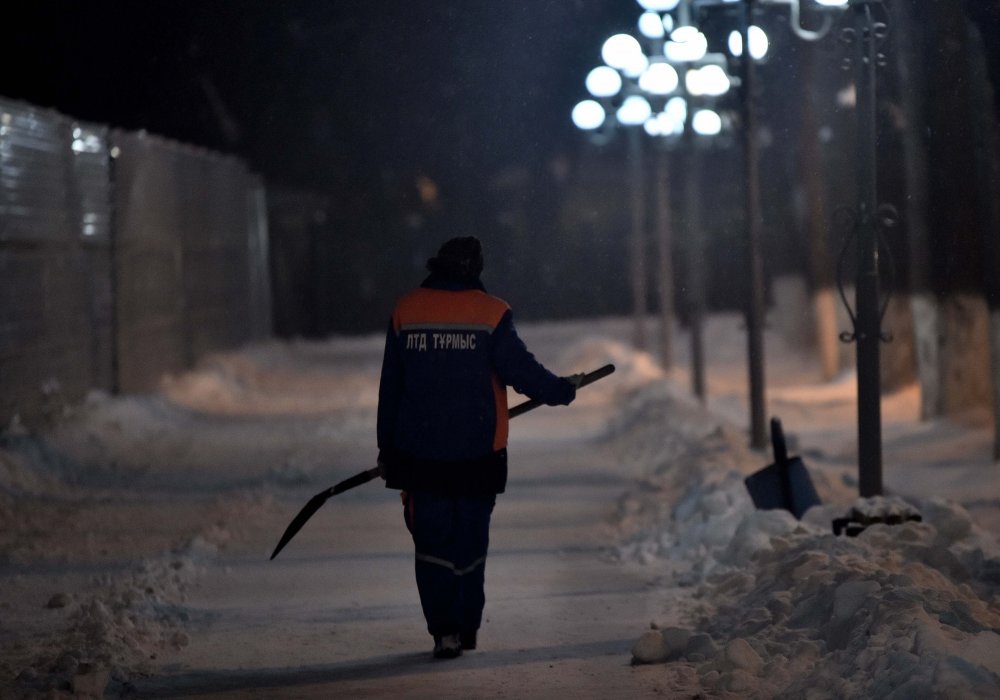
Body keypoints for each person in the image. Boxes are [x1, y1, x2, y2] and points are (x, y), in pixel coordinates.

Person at [377, 236, 578, 660]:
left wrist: (387, 451)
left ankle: (444, 630)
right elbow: (521, 370)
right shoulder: (491, 313)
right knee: (470, 542)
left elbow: (390, 390)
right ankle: (465, 625)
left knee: (432, 544)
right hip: (478, 454)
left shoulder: (406, 310)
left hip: (419, 455)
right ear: (475, 268)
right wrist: (560, 390)